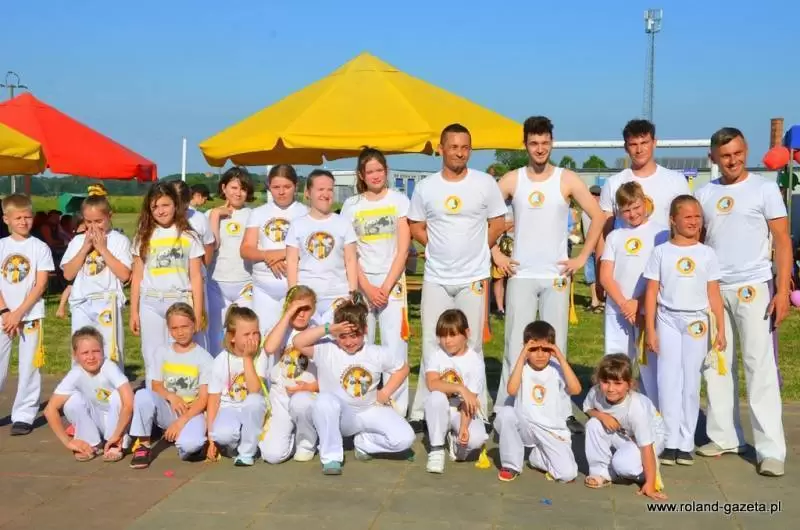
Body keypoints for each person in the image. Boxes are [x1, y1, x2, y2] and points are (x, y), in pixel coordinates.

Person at [492, 117, 605, 435]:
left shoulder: (566, 178)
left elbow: (598, 216)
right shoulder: (512, 180)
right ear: (525, 145)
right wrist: (496, 253)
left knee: (556, 345)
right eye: (533, 143)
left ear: (552, 143)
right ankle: (506, 408)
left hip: (556, 275)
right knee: (515, 344)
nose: (540, 149)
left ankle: (560, 410)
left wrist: (581, 257)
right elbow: (484, 215)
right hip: (521, 274)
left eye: (544, 143)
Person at [695, 127, 791, 477]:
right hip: (714, 289)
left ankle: (770, 450)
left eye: (737, 153)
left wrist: (782, 291)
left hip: (754, 287)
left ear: (746, 150)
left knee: (758, 366)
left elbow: (782, 241)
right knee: (716, 364)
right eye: (725, 156)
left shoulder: (764, 189)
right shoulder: (704, 193)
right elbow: (698, 242)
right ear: (713, 158)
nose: (732, 160)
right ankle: (724, 436)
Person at [407, 123, 507, 426]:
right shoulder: (426, 187)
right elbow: (416, 226)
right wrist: (436, 247)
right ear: (441, 149)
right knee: (432, 341)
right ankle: (423, 410)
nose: (459, 153)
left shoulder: (485, 183)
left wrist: (477, 249)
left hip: (473, 277)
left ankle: (477, 409)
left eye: (465, 148)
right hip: (436, 276)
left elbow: (498, 223)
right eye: (453, 147)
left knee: (472, 343)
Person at [643, 195, 726, 467]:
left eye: (697, 216)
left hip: (697, 323)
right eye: (687, 216)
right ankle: (669, 442)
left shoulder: (707, 253)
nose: (693, 222)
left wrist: (720, 330)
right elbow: (651, 292)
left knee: (691, 382)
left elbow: (714, 294)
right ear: (673, 220)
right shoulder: (661, 252)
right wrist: (650, 329)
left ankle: (686, 442)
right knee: (668, 380)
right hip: (667, 320)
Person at [293, 299, 415, 476]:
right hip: (341, 417)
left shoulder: (376, 352)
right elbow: (298, 342)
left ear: (365, 330)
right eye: (343, 336)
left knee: (405, 439)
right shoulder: (326, 349)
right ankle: (331, 457)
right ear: (336, 334)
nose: (349, 342)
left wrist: (385, 392)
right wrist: (329, 329)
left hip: (369, 409)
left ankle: (364, 442)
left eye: (354, 335)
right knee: (325, 400)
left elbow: (403, 368)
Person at [340, 148, 412, 417]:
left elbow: (403, 250)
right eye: (369, 171)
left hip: (392, 282)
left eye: (379, 170)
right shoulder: (351, 205)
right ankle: (362, 402)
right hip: (363, 283)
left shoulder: (399, 201)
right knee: (362, 343)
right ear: (361, 175)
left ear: (386, 171)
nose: (375, 176)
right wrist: (367, 288)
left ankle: (397, 407)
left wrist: (386, 286)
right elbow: (349, 252)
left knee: (396, 346)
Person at [598, 182, 669, 402]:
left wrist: (638, 303)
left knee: (649, 364)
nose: (633, 214)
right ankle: (618, 408)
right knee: (617, 362)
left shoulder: (661, 234)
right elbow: (605, 276)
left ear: (645, 202)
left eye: (636, 207)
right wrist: (624, 305)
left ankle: (653, 409)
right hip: (618, 309)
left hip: (647, 309)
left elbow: (661, 275)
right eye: (626, 210)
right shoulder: (614, 236)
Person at [130, 183, 204, 387]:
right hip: (151, 303)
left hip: (179, 301)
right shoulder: (143, 237)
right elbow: (137, 276)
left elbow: (196, 277)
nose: (161, 211)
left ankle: (181, 397)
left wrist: (198, 313)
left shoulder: (189, 236)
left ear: (175, 205)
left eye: (165, 205)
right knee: (151, 354)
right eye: (155, 207)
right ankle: (154, 398)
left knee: (180, 354)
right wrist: (134, 312)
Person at [494, 320, 580, 483]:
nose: (540, 354)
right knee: (506, 413)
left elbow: (576, 389)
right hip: (526, 425)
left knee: (567, 474)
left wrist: (560, 357)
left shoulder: (556, 368)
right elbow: (511, 390)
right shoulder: (522, 367)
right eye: (534, 349)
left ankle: (538, 457)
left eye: (545, 349)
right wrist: (522, 355)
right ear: (525, 348)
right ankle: (511, 465)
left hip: (551, 430)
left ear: (552, 349)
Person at [128, 303, 213, 469]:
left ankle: (186, 440)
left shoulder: (204, 358)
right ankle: (143, 445)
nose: (180, 332)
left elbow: (203, 399)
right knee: (143, 394)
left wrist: (181, 422)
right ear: (168, 329)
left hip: (192, 412)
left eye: (185, 326)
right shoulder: (162, 352)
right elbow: (156, 385)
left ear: (194, 324)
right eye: (174, 328)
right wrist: (171, 397)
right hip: (168, 408)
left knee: (191, 445)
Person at [0, 194, 55, 436]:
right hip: (3, 315)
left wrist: (20, 312)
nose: (23, 222)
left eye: (27, 217)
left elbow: (40, 285)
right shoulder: (1, 246)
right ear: (6, 219)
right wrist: (6, 311)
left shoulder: (39, 247)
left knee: (29, 365)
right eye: (18, 218)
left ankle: (23, 414)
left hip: (30, 314)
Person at [61, 187, 132, 369]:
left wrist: (102, 249)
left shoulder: (119, 240)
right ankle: (82, 384)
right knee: (81, 350)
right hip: (82, 302)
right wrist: (85, 248)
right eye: (88, 221)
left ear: (110, 216)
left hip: (107, 301)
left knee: (110, 350)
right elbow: (68, 274)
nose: (93, 226)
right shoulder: (78, 241)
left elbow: (125, 275)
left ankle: (112, 384)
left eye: (99, 221)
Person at [583, 354, 666, 500]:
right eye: (605, 382)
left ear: (629, 384)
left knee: (622, 465)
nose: (610, 388)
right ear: (598, 380)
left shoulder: (636, 407)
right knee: (593, 424)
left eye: (617, 383)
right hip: (624, 434)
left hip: (651, 440)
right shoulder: (596, 392)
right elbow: (588, 409)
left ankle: (645, 471)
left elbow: (646, 446)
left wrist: (651, 484)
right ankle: (601, 472)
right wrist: (602, 416)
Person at [43, 327, 134, 462]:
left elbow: (129, 404)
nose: (91, 357)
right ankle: (89, 442)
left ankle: (116, 443)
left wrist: (116, 435)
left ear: (103, 351)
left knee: (118, 396)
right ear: (75, 355)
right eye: (85, 353)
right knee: (72, 401)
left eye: (96, 351)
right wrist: (68, 442)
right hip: (97, 419)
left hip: (121, 423)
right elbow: (50, 410)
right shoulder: (75, 374)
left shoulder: (109, 368)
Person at [241, 164, 308, 337]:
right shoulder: (258, 213)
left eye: (287, 187)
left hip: (296, 285)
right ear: (269, 187)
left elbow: (310, 249)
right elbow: (246, 249)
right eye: (276, 187)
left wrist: (280, 254)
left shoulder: (306, 213)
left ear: (296, 186)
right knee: (265, 336)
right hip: (263, 287)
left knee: (295, 338)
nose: (281, 192)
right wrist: (266, 255)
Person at [286, 169, 359, 323]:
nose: (326, 194)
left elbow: (351, 260)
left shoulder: (344, 223)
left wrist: (353, 292)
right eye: (320, 189)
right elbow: (292, 261)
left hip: (338, 296)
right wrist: (293, 293)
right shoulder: (297, 225)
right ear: (308, 193)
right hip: (307, 296)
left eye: (330, 190)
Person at [423, 309, 488, 474]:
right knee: (436, 397)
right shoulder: (437, 355)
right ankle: (437, 448)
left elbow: (470, 401)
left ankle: (454, 438)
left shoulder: (475, 361)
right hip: (442, 408)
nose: (447, 341)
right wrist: (460, 388)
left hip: (463, 411)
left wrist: (464, 427)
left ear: (467, 333)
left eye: (452, 335)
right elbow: (432, 383)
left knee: (476, 439)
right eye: (442, 336)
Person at [258, 285, 318, 464]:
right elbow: (270, 348)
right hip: (281, 397)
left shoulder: (317, 330)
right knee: (272, 455)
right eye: (296, 308)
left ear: (314, 310)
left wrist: (311, 387)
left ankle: (307, 442)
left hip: (308, 394)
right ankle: (292, 435)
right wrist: (287, 314)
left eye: (306, 309)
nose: (301, 314)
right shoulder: (279, 328)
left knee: (302, 403)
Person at [598, 120, 691, 230]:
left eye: (644, 143)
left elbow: (688, 223)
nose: (639, 150)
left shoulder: (677, 180)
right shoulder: (613, 183)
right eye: (633, 144)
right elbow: (605, 230)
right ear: (626, 147)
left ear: (654, 142)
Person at [206, 306, 268, 467]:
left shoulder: (260, 355)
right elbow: (213, 400)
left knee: (253, 401)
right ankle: (238, 445)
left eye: (255, 333)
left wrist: (247, 358)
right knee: (222, 435)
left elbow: (254, 390)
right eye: (247, 334)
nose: (252, 338)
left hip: (254, 408)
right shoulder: (220, 360)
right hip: (229, 407)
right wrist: (211, 439)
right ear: (232, 337)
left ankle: (247, 453)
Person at [207, 167, 255, 356]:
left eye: (243, 189)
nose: (238, 193)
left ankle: (245, 369)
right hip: (216, 284)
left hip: (246, 283)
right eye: (234, 188)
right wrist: (215, 217)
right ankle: (217, 369)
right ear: (224, 188)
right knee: (216, 332)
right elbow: (213, 245)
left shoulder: (253, 215)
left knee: (247, 331)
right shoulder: (210, 214)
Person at [169, 179, 215, 350]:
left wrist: (200, 270)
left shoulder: (198, 219)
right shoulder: (161, 220)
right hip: (171, 284)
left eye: (181, 204)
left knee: (197, 331)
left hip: (194, 284)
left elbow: (209, 247)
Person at [491, 203, 514, 315]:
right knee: (499, 278)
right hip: (499, 245)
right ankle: (500, 309)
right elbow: (494, 226)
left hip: (516, 245)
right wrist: (509, 225)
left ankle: (512, 306)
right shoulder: (498, 203)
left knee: (514, 277)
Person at [583, 186, 603, 312]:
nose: (594, 197)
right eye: (592, 194)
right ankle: (594, 301)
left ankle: (603, 301)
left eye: (597, 195)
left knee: (602, 275)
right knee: (590, 275)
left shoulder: (603, 211)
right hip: (588, 247)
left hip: (600, 247)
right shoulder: (585, 211)